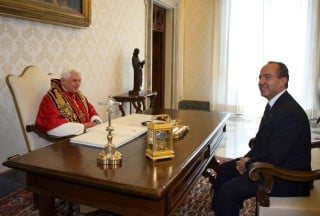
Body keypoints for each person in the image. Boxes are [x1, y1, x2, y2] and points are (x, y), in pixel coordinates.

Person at [211, 61, 312, 215]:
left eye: (267, 77)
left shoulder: (290, 113)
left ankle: (225, 204)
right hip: (273, 166)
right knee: (225, 170)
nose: (261, 82)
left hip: (287, 178)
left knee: (228, 192)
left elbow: (275, 155)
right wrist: (242, 160)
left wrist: (249, 163)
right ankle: (222, 209)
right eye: (260, 77)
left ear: (283, 81)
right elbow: (262, 143)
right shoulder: (275, 104)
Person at [35, 66, 102, 137]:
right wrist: (85, 126)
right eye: (74, 80)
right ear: (63, 81)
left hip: (87, 135)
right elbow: (54, 127)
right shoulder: (51, 98)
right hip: (66, 142)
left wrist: (96, 121)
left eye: (79, 80)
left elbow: (91, 110)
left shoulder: (78, 95)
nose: (78, 84)